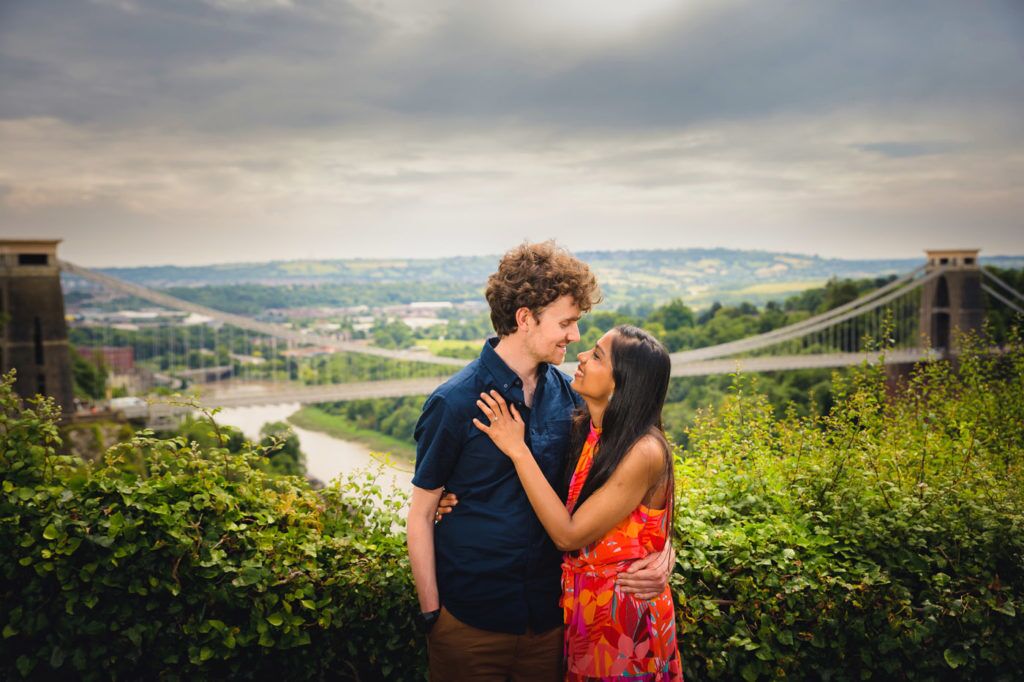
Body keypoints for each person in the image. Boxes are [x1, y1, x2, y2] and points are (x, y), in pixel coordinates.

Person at [407, 242, 673, 681]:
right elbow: (419, 514)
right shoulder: (454, 402)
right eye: (566, 323)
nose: (575, 336)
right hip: (469, 622)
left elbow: (629, 489)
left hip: (552, 625)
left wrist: (663, 554)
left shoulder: (574, 400)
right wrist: (433, 616)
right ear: (525, 318)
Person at [473, 325, 682, 681]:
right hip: (587, 615)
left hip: (625, 625)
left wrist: (516, 449)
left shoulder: (643, 451)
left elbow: (568, 536)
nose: (582, 355)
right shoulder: (591, 430)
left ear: (621, 382)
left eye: (598, 355)